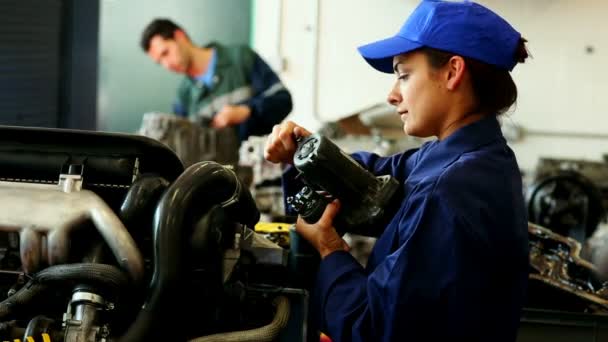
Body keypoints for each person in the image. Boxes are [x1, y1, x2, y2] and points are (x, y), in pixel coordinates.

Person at [264, 1, 530, 341]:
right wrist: (304, 154)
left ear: (453, 71)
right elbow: (375, 180)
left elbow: (374, 329)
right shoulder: (472, 158)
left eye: (403, 75)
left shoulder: (452, 188)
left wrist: (331, 250)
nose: (392, 95)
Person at [140, 18, 292, 142]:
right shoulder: (183, 98)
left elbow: (282, 99)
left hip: (264, 169)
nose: (167, 65)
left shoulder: (241, 57)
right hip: (216, 177)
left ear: (180, 36)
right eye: (160, 62)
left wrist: (247, 110)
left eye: (165, 53)